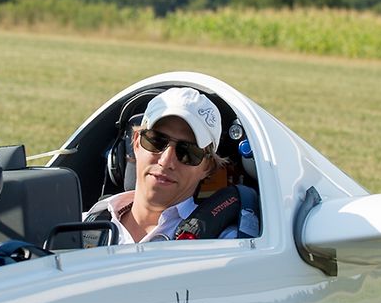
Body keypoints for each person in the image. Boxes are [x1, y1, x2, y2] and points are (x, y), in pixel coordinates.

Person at [85, 87, 256, 243]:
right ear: (136, 143)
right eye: (156, 141)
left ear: (207, 167)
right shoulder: (85, 222)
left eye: (187, 151)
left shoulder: (225, 245)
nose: (166, 161)